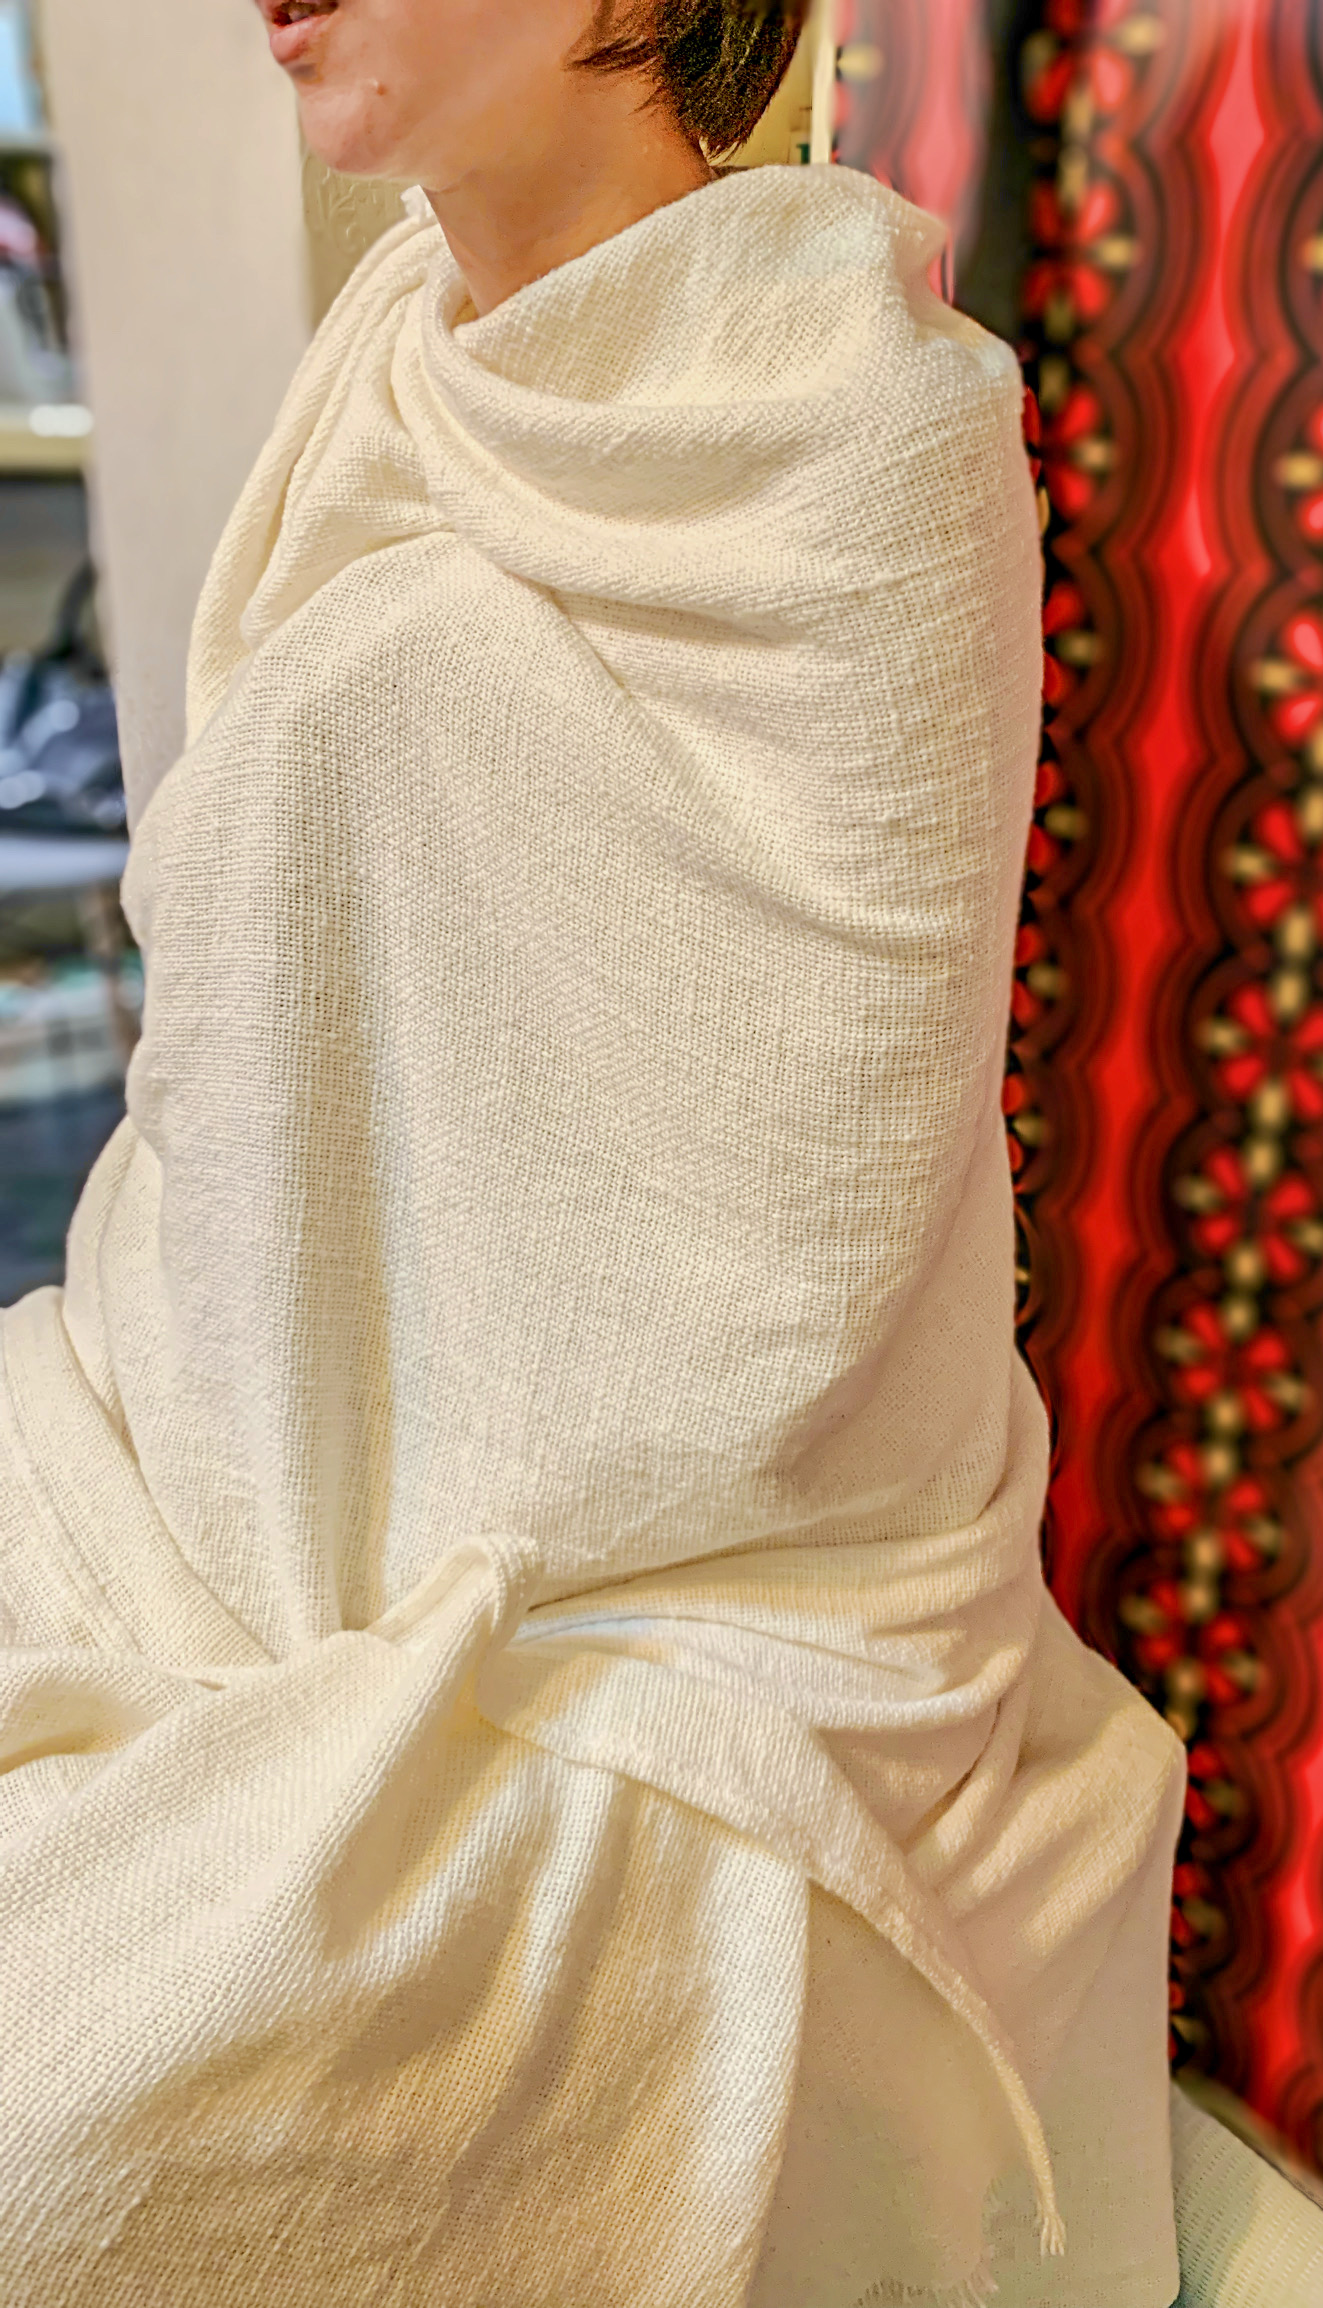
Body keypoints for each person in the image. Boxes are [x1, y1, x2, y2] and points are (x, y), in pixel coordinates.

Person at [0, 3, 1191, 2302]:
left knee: (49, 2132)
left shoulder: (855, 426)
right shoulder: (378, 366)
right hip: (214, 1417)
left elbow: (802, 1192)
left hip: (685, 1590)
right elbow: (251, 1035)